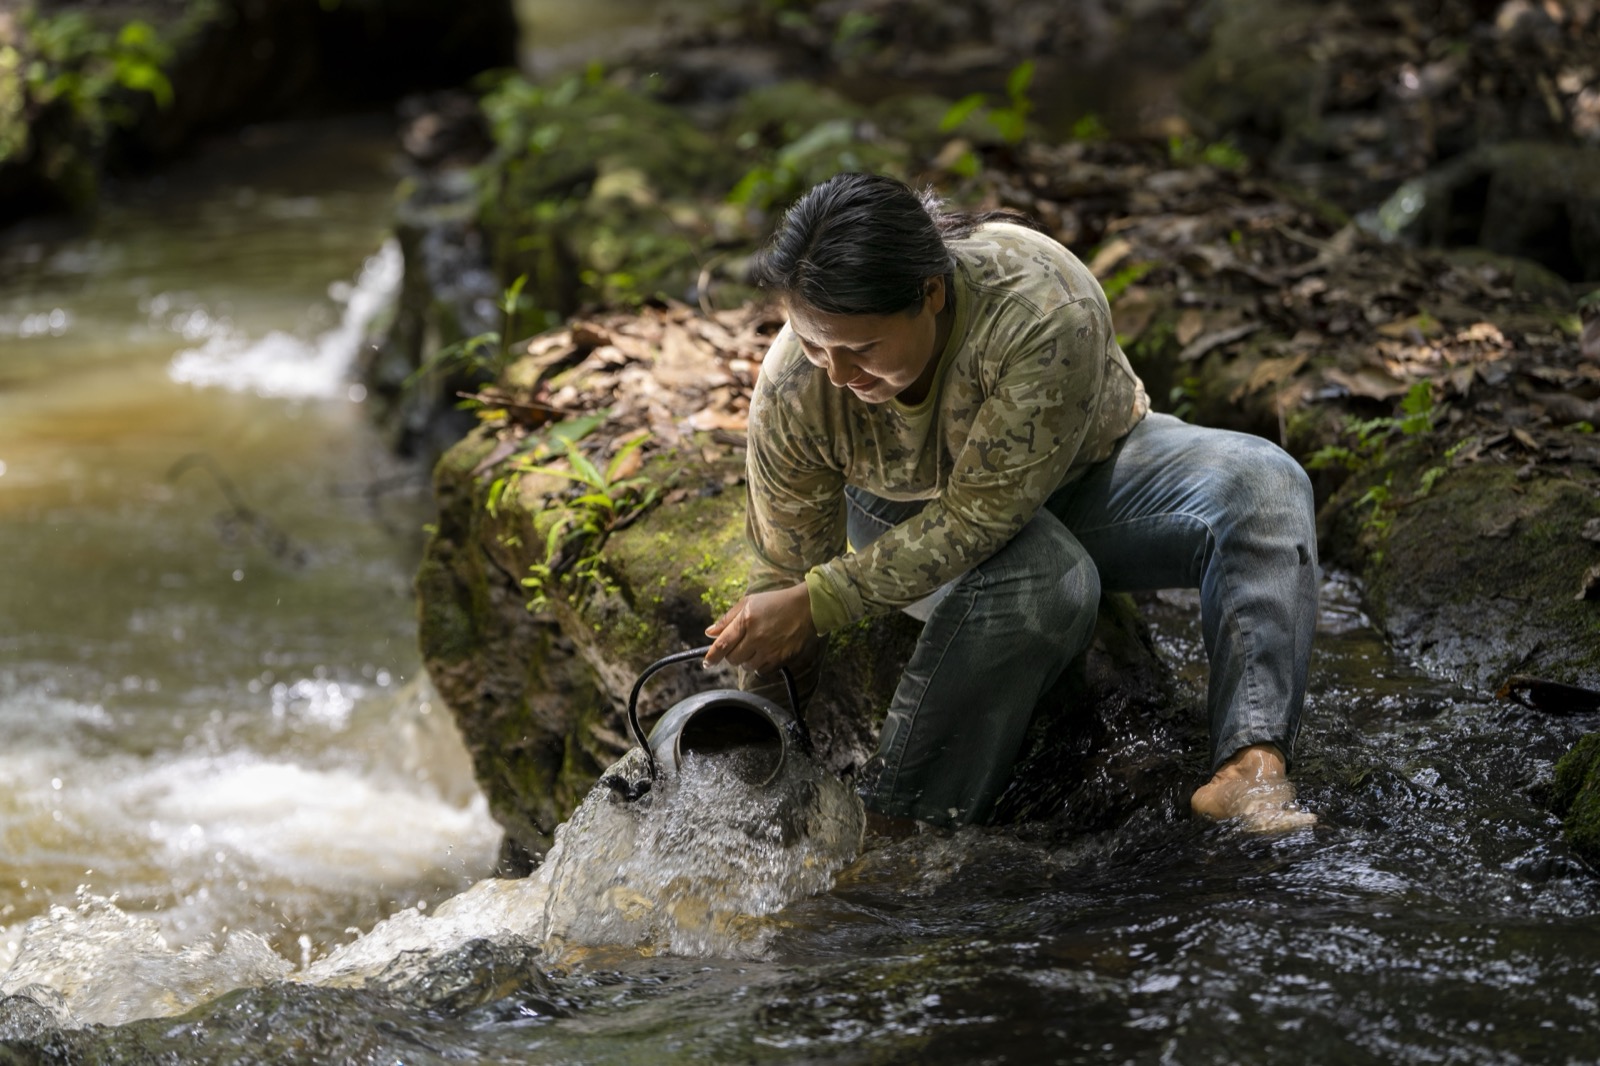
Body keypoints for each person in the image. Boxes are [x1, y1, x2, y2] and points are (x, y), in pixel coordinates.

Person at [702, 172, 1318, 833]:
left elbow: (980, 516)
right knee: (1048, 579)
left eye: (861, 349)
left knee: (1263, 483)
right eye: (816, 345)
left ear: (930, 294)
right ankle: (899, 830)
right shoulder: (797, 384)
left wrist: (825, 599)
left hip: (1086, 470)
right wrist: (751, 772)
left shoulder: (1040, 307)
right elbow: (786, 578)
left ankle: (1249, 770)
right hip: (903, 505)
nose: (840, 374)